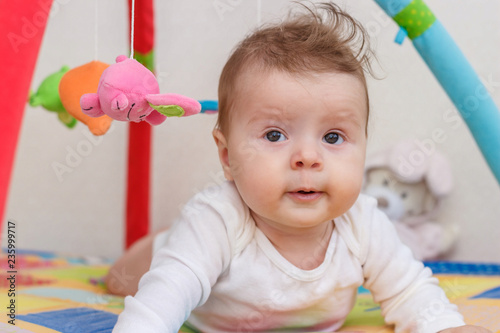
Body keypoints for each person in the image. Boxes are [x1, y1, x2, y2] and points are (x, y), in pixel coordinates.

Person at [109, 3, 491, 332]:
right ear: (227, 157)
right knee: (124, 277)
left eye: (333, 137)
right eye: (275, 136)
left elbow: (407, 289)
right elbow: (162, 299)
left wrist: (443, 325)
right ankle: (161, 241)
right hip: (193, 275)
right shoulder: (217, 221)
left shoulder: (362, 223)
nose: (308, 158)